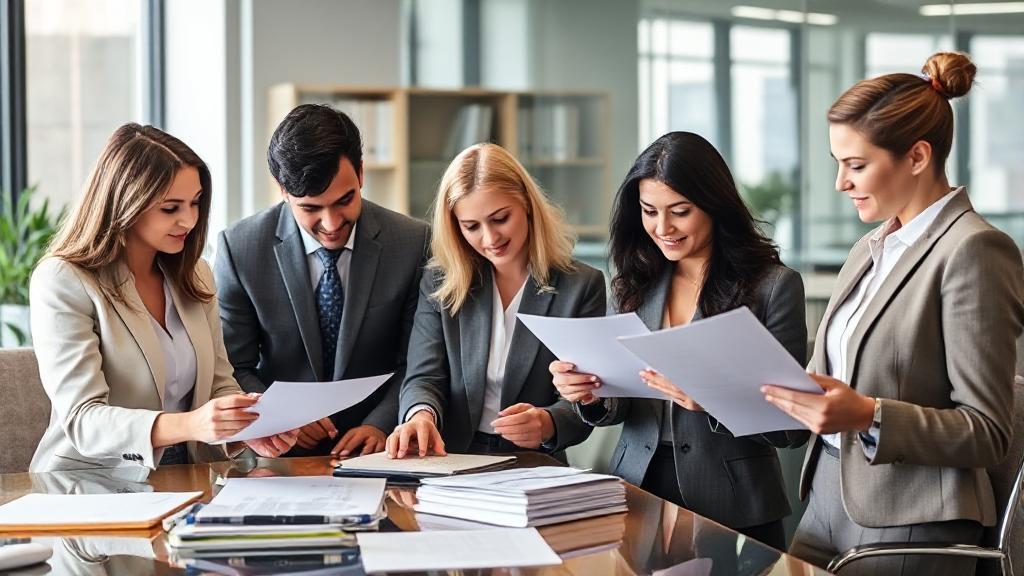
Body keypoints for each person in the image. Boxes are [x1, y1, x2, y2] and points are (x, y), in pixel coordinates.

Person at [761, 52, 1024, 575]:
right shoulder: (869, 248)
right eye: (838, 163)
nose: (840, 183)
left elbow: (989, 431)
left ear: (918, 156)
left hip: (911, 518)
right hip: (826, 497)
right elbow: (825, 383)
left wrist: (868, 414)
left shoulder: (975, 250)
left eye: (856, 165)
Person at [550, 131, 808, 551]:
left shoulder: (773, 286)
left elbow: (792, 428)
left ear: (714, 204)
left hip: (734, 500)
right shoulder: (635, 282)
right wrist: (590, 395)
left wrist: (712, 397)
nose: (662, 228)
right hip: (637, 489)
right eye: (649, 211)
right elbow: (622, 403)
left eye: (680, 212)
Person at [30, 123, 297, 472]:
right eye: (170, 208)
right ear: (125, 203)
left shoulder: (194, 274)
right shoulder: (64, 280)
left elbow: (219, 384)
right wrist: (192, 423)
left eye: (195, 203)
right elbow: (83, 419)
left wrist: (245, 428)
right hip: (90, 485)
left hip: (184, 479)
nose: (188, 220)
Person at [215, 104, 430, 457]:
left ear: (361, 173)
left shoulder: (411, 242)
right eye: (311, 208)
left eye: (345, 201)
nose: (331, 224)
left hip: (381, 450)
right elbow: (232, 366)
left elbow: (418, 360)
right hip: (280, 453)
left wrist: (381, 422)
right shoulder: (240, 249)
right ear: (282, 190)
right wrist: (281, 415)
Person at [387, 143, 605, 460]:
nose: (490, 239)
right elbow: (424, 376)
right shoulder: (441, 283)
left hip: (535, 464)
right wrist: (421, 416)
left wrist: (547, 422)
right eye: (471, 227)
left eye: (500, 219)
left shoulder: (580, 286)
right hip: (451, 457)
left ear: (527, 205)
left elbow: (584, 395)